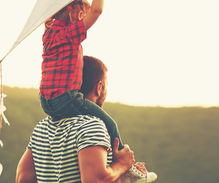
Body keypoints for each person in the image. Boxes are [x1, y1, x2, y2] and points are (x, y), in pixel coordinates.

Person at [38, 0, 156, 182]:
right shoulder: (69, 34)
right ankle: (124, 168)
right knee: (109, 123)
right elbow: (97, 11)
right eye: (83, 13)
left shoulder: (48, 34)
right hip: (67, 99)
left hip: (45, 101)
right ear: (76, 14)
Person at [17, 56, 157, 183]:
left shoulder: (42, 127)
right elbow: (94, 180)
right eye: (106, 86)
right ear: (99, 88)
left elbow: (22, 179)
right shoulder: (91, 125)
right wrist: (122, 164)